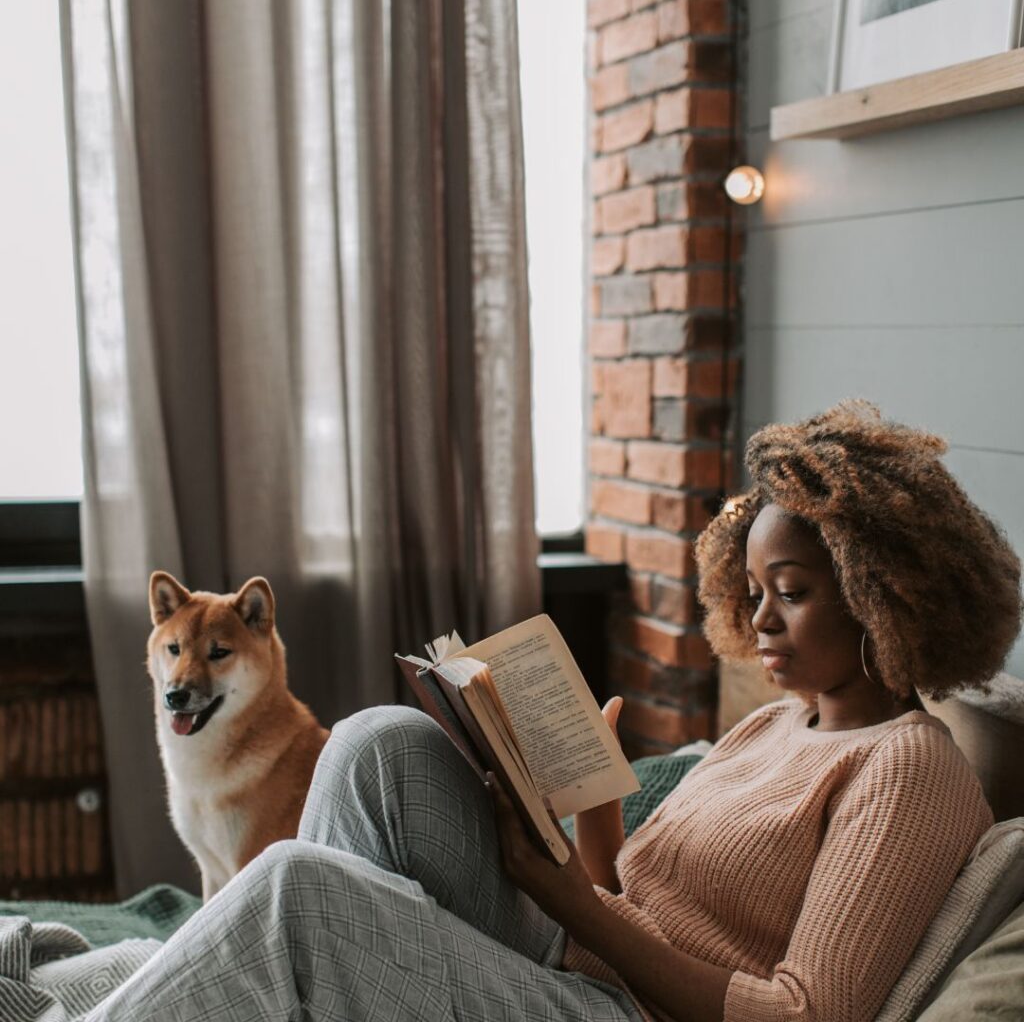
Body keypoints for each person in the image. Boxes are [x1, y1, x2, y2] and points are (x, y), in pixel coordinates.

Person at [86, 401, 1022, 1022]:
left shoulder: (907, 771)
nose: (760, 617)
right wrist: (598, 820)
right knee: (380, 745)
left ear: (882, 595)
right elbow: (635, 902)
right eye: (753, 587)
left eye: (792, 591)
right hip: (583, 958)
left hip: (626, 1014)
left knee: (301, 895)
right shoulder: (777, 722)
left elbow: (807, 1012)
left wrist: (570, 897)